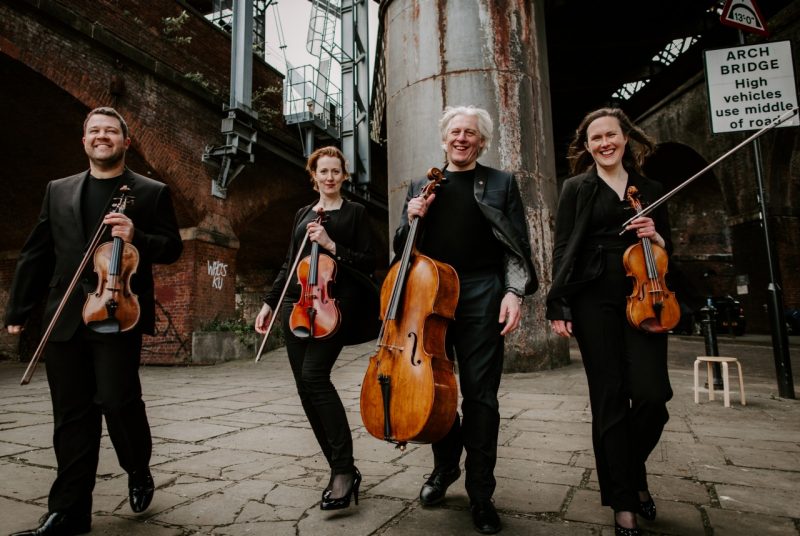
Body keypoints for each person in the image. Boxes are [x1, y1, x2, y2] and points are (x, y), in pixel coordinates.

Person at [5, 107, 183, 536]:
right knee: (71, 414)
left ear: (126, 141)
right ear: (84, 140)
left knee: (118, 401)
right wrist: (18, 310)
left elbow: (173, 248)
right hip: (65, 315)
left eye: (111, 131)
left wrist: (135, 235)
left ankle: (137, 466)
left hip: (118, 312)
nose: (102, 137)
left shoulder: (150, 191)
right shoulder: (58, 190)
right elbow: (37, 251)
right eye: (94, 131)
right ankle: (69, 511)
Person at [393, 105, 537, 534]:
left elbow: (516, 245)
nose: (461, 138)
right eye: (455, 131)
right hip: (430, 294)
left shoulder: (501, 183)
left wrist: (513, 293)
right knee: (433, 393)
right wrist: (411, 217)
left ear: (481, 141)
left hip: (480, 292)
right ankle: (444, 469)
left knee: (481, 397)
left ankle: (481, 492)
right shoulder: (422, 184)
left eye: (470, 133)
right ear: (444, 138)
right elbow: (402, 247)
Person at [546, 108, 673, 536]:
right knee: (610, 398)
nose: (605, 143)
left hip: (645, 297)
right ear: (587, 146)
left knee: (653, 397)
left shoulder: (650, 189)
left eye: (611, 135)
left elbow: (668, 250)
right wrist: (559, 304)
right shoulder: (576, 189)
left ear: (625, 138)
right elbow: (564, 248)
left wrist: (655, 235)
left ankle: (629, 471)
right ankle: (624, 500)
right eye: (596, 138)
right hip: (591, 297)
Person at [254, 146, 376, 511]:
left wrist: (330, 244)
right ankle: (341, 468)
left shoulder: (355, 213)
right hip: (297, 306)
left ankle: (343, 470)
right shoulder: (302, 214)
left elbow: (369, 261)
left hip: (334, 307)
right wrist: (269, 303)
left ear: (344, 176)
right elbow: (289, 265)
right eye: (323, 171)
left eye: (336, 171)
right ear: (314, 175)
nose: (329, 177)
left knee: (314, 377)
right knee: (305, 390)